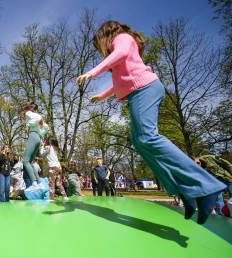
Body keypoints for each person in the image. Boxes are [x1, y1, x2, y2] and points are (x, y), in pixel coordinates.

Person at [76, 20, 225, 224]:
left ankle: (206, 186)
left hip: (145, 89)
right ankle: (185, 192)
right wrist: (102, 96)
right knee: (140, 141)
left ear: (105, 35)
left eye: (98, 45)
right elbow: (120, 81)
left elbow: (117, 56)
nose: (100, 50)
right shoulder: (122, 50)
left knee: (148, 136)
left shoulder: (122, 39)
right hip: (138, 92)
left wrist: (92, 72)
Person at [21, 102, 45, 190]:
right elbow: (44, 127)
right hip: (38, 138)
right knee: (30, 163)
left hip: (33, 136)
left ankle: (34, 183)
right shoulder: (36, 115)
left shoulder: (29, 113)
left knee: (25, 161)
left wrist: (28, 124)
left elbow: (38, 117)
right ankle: (39, 182)